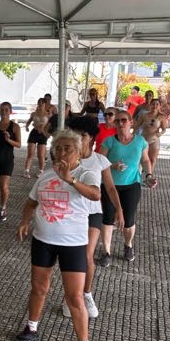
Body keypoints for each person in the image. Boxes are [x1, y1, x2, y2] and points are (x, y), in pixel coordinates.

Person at [14, 130, 102, 341]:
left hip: (73, 244)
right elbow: (32, 201)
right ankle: (32, 327)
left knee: (74, 297)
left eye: (68, 148)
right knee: (38, 288)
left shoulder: (86, 173)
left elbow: (95, 194)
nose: (62, 152)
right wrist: (24, 221)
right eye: (59, 148)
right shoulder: (46, 175)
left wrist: (70, 180)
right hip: (43, 240)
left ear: (78, 151)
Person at [63, 117, 124, 319]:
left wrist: (119, 210)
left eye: (83, 135)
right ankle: (71, 295)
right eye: (75, 134)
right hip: (70, 212)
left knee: (87, 255)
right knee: (69, 256)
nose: (78, 139)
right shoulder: (65, 158)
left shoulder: (100, 161)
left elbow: (110, 188)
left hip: (92, 212)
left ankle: (85, 294)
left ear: (91, 138)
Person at [99, 110, 157, 265]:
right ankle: (106, 252)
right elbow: (99, 162)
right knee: (108, 218)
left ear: (131, 122)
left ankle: (128, 245)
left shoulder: (140, 141)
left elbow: (145, 160)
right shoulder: (108, 141)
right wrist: (112, 165)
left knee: (129, 219)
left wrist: (149, 175)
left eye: (123, 120)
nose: (120, 123)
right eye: (117, 121)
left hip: (131, 185)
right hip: (109, 184)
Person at [134, 98, 168, 174]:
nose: (155, 106)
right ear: (150, 105)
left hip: (154, 139)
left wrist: (160, 133)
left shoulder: (162, 116)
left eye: (157, 104)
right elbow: (136, 126)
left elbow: (164, 129)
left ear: (160, 106)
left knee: (152, 159)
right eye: (153, 104)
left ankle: (149, 176)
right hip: (143, 138)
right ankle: (137, 176)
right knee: (140, 159)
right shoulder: (144, 115)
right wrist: (133, 135)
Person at [23, 98, 50, 177]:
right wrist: (27, 126)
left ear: (45, 104)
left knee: (41, 155)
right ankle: (26, 171)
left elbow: (50, 126)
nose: (40, 104)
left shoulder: (48, 115)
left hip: (43, 134)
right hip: (34, 133)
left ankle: (41, 171)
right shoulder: (34, 113)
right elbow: (29, 121)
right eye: (39, 102)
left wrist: (45, 129)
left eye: (42, 103)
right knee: (30, 154)